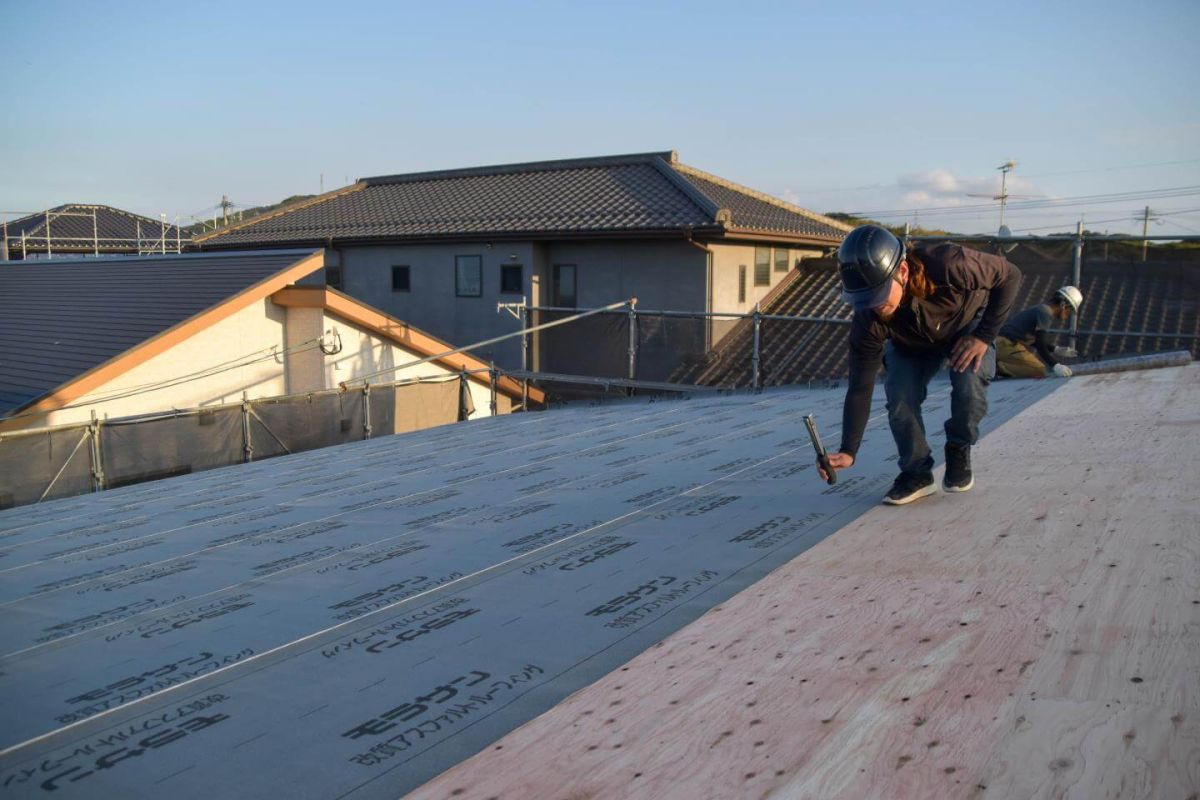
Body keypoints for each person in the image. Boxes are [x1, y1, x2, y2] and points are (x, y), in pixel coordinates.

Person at [816, 225, 1021, 505]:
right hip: (911, 344)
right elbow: (860, 387)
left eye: (878, 296)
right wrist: (849, 450)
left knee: (969, 383)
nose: (874, 306)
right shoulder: (869, 318)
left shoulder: (950, 263)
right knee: (899, 394)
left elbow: (1010, 275)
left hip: (965, 329)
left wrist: (983, 336)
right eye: (864, 300)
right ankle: (916, 473)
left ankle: (959, 446)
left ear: (902, 271)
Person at [995, 286, 1083, 378]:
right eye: (1070, 310)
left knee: (1036, 369)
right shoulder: (1046, 313)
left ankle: (997, 366)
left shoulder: (1042, 309)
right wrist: (1055, 365)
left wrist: (1055, 349)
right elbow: (1040, 344)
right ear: (1063, 305)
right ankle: (996, 368)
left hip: (1001, 344)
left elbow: (1035, 341)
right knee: (1038, 370)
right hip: (1004, 345)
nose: (1067, 315)